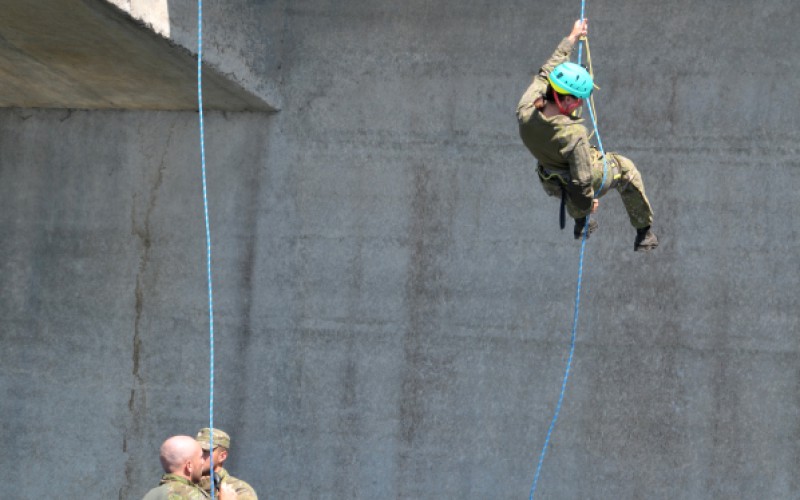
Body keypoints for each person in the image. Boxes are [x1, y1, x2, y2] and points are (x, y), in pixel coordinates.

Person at [517, 19, 658, 251]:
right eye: (578, 100)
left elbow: (546, 71)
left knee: (573, 170)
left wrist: (572, 37)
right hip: (571, 183)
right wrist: (584, 207)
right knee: (625, 169)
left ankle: (581, 221)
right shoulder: (574, 135)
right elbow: (582, 182)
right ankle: (644, 234)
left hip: (549, 179)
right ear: (568, 99)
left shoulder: (526, 108)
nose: (580, 103)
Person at [142, 435, 236, 500]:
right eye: (200, 457)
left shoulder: (151, 495)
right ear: (189, 466)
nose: (203, 462)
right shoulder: (193, 496)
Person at [196, 428, 258, 499]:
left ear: (222, 456)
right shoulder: (185, 486)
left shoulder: (239, 490)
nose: (198, 455)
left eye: (204, 451)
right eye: (195, 450)